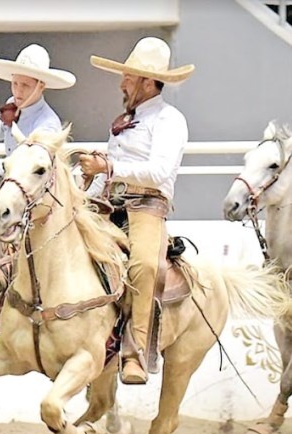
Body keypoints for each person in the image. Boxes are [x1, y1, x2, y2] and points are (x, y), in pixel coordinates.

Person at [78, 37, 195, 385]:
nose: (121, 83)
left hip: (147, 207)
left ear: (147, 81)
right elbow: (106, 175)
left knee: (144, 265)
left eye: (128, 77)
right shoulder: (125, 121)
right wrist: (86, 190)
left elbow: (159, 172)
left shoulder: (170, 120)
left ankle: (135, 353)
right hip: (111, 203)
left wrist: (108, 166)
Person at [0, 44, 76, 177]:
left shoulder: (47, 124)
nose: (18, 91)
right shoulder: (14, 104)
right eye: (15, 83)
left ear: (41, 86)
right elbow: (3, 128)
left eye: (25, 85)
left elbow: (28, 165)